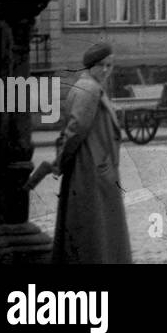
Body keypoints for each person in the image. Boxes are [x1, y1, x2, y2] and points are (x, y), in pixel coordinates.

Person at [51, 42, 132, 264]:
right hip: (92, 170)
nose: (106, 70)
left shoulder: (86, 86)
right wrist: (61, 161)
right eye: (101, 65)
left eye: (110, 65)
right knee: (95, 230)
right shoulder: (90, 89)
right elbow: (75, 130)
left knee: (92, 228)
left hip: (91, 168)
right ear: (90, 66)